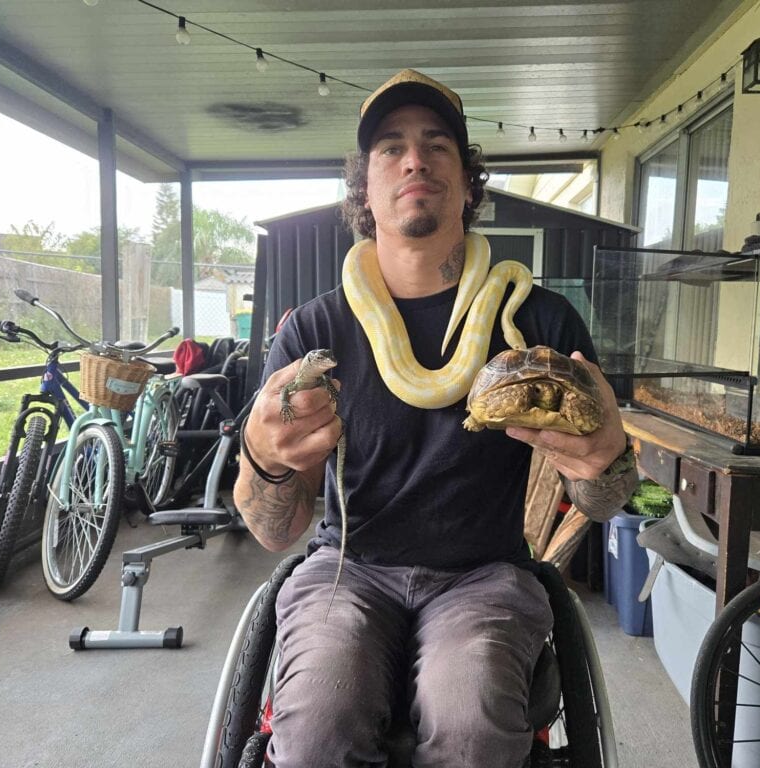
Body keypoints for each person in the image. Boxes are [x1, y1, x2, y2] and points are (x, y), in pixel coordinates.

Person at [233, 68, 638, 768]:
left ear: (468, 179)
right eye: (391, 147)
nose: (414, 159)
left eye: (436, 144)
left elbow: (606, 500)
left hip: (485, 575)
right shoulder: (313, 335)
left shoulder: (538, 323)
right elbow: (276, 531)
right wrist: (264, 458)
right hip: (347, 571)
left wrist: (606, 458)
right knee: (319, 726)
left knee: (473, 724)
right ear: (366, 188)